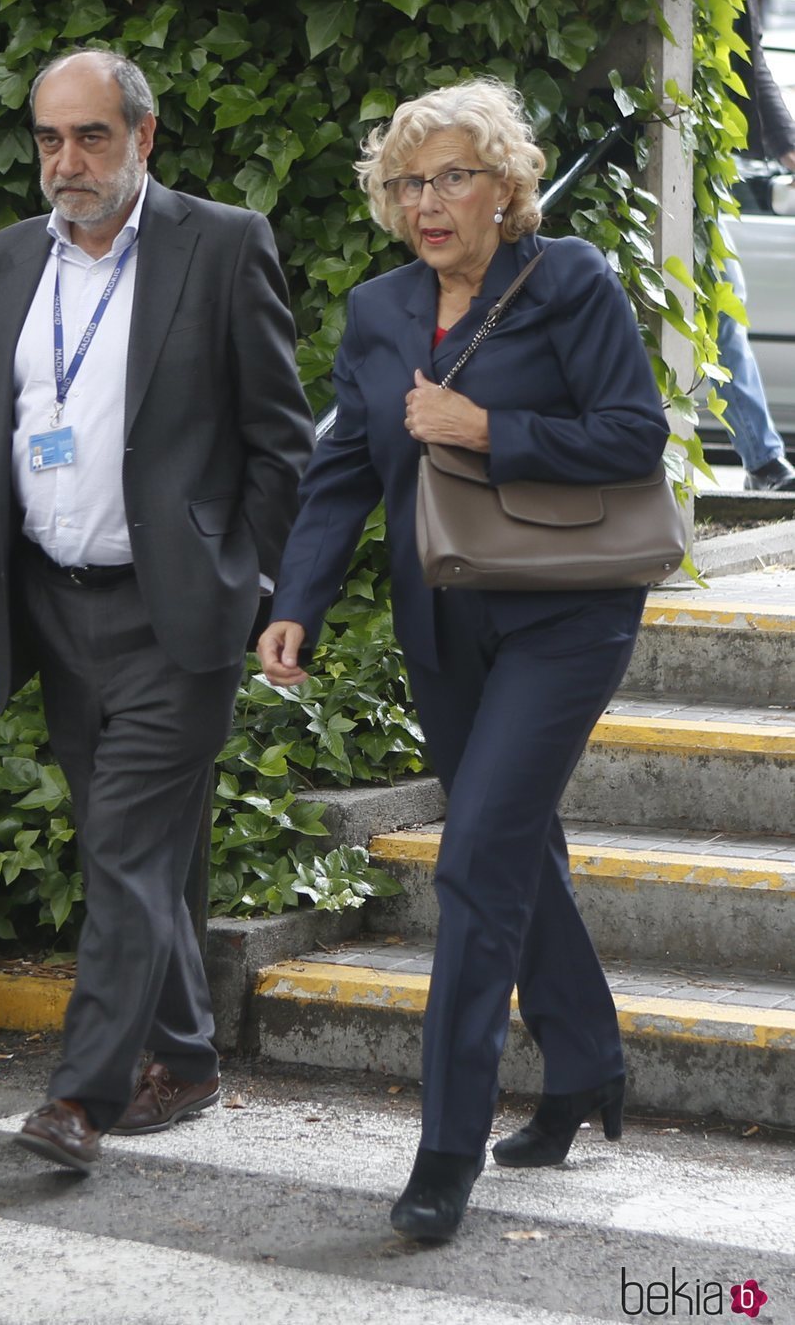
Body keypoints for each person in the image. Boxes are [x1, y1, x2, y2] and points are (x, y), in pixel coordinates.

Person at [0, 49, 314, 1174]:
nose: (68, 163)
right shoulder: (5, 263)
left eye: (92, 138)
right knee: (142, 847)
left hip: (176, 610)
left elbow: (279, 439)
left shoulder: (220, 244)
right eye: (50, 141)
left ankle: (81, 1095)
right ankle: (189, 1054)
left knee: (122, 845)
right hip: (55, 608)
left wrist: (252, 579)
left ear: (144, 137)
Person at [257, 78, 670, 1243]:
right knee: (515, 849)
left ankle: (444, 1149)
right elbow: (342, 470)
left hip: (565, 613)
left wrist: (490, 430)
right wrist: (298, 601)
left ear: (505, 186)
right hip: (442, 624)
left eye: (452, 176)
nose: (426, 201)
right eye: (406, 181)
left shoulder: (570, 280)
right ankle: (585, 1063)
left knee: (478, 858)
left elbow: (632, 432)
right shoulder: (378, 310)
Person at [718, 0, 795, 491]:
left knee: (727, 305)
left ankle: (762, 461)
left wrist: (787, 142)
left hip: (709, 162)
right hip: (688, 159)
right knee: (726, 304)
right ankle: (763, 461)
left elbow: (752, 57)